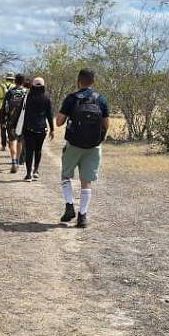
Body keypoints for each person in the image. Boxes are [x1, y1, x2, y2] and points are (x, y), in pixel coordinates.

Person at [55, 68, 110, 228]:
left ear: (78, 81)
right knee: (86, 182)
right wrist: (97, 139)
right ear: (93, 82)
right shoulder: (101, 100)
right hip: (93, 146)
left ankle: (69, 205)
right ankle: (83, 216)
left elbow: (59, 121)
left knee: (66, 175)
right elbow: (106, 125)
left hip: (73, 145)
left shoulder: (72, 99)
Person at [20, 77, 54, 182]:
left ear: (33, 86)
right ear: (43, 86)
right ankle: (36, 171)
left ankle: (28, 174)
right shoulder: (47, 98)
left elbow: (22, 112)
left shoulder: (27, 97)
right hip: (42, 128)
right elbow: (49, 115)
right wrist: (52, 129)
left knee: (29, 150)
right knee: (38, 150)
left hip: (28, 128)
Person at [3, 74, 29, 173]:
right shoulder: (26, 92)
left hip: (11, 120)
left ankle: (13, 161)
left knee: (12, 140)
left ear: (15, 81)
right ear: (23, 82)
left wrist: (3, 120)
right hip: (22, 121)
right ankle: (17, 161)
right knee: (20, 141)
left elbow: (4, 107)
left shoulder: (10, 92)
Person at [0, 72, 18, 150]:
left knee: (2, 126)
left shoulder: (0, 86)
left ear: (6, 78)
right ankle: (12, 143)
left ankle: (3, 145)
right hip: (12, 109)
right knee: (12, 126)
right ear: (12, 79)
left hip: (2, 108)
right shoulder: (14, 86)